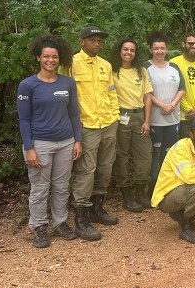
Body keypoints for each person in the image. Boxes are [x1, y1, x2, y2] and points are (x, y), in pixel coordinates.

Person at [17, 35, 83, 248]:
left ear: (59, 59)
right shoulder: (28, 85)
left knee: (62, 186)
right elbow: (24, 119)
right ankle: (38, 226)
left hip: (65, 142)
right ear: (38, 57)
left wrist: (78, 140)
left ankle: (60, 223)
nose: (50, 60)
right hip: (40, 144)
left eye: (54, 57)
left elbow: (74, 114)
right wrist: (29, 148)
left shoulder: (68, 83)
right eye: (46, 56)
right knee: (40, 188)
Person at [60, 26, 119, 241]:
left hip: (108, 123)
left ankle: (97, 209)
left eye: (99, 41)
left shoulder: (106, 65)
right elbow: (63, 95)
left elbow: (111, 93)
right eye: (92, 40)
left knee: (105, 167)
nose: (97, 44)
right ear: (82, 41)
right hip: (86, 125)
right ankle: (81, 220)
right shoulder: (70, 64)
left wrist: (115, 116)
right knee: (86, 170)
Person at [110, 38, 153, 213]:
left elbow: (148, 96)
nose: (128, 53)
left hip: (139, 115)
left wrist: (147, 121)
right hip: (121, 116)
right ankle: (127, 194)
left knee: (144, 156)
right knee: (122, 156)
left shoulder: (141, 71)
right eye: (125, 49)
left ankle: (141, 193)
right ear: (119, 51)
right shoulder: (112, 71)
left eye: (132, 50)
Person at [145, 33, 185, 193]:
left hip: (173, 118)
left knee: (168, 153)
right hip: (154, 119)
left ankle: (166, 186)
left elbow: (182, 88)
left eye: (162, 48)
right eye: (156, 48)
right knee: (155, 153)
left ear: (167, 49)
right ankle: (152, 188)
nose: (159, 51)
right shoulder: (145, 67)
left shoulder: (174, 67)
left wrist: (172, 105)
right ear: (150, 50)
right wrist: (162, 105)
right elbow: (145, 92)